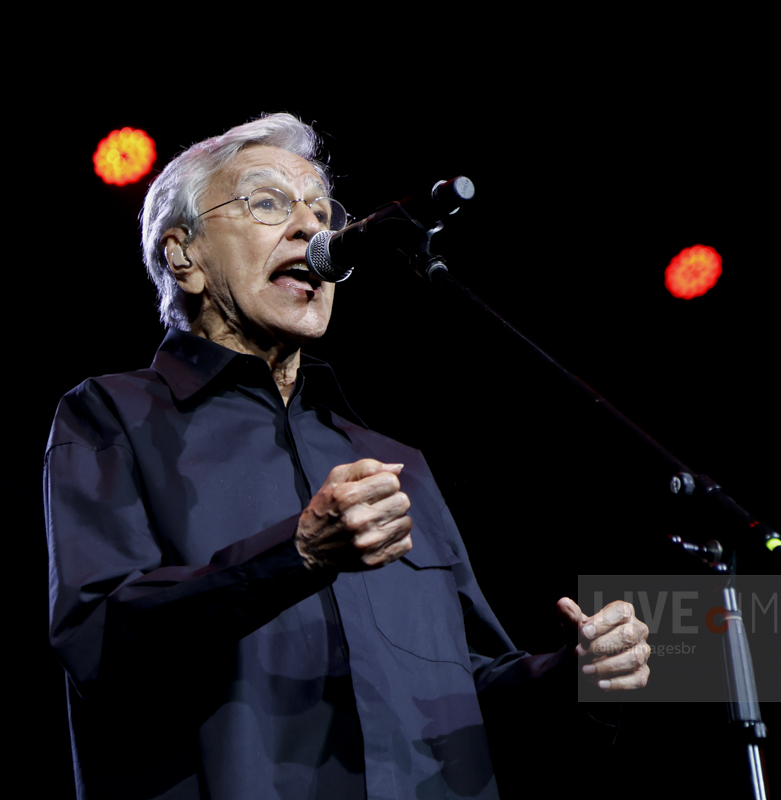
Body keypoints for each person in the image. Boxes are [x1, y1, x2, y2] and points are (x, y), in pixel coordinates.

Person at [44, 113, 650, 800]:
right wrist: (295, 555)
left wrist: (574, 677)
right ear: (184, 256)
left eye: (322, 210)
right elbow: (98, 642)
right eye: (268, 203)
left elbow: (465, 691)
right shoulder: (113, 415)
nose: (312, 229)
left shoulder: (394, 463)